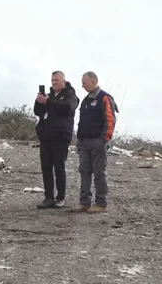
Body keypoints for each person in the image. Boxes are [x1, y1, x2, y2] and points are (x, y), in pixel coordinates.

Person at [71, 71, 118, 214]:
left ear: (93, 80)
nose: (82, 85)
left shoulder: (104, 98)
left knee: (99, 173)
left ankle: (101, 203)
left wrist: (103, 140)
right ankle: (84, 202)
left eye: (84, 82)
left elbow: (110, 120)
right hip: (84, 142)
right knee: (84, 171)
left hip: (98, 142)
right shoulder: (85, 100)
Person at [33, 71, 80, 209]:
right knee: (46, 167)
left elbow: (67, 108)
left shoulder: (71, 96)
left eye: (56, 80)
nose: (54, 83)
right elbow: (37, 111)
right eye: (52, 80)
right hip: (46, 137)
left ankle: (61, 197)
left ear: (63, 81)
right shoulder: (49, 95)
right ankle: (48, 197)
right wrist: (39, 100)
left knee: (59, 167)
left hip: (61, 137)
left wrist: (48, 101)